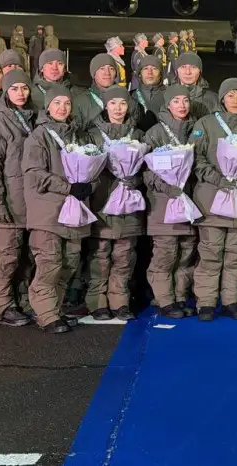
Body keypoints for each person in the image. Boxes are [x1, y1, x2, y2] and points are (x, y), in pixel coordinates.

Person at [22, 83, 94, 334]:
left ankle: (55, 308)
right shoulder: (39, 136)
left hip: (73, 210)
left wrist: (88, 185)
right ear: (47, 107)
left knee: (69, 263)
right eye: (57, 103)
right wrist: (67, 187)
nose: (62, 108)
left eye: (67, 103)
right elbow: (34, 173)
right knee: (49, 262)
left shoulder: (78, 135)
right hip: (48, 211)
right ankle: (46, 314)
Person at [190, 78, 237, 321]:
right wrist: (218, 179)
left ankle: (231, 301)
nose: (235, 100)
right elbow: (195, 158)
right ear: (222, 99)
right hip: (212, 198)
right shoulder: (206, 123)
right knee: (210, 253)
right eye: (230, 95)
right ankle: (206, 303)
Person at [0, 70, 35, 326]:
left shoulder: (34, 119)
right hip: (7, 200)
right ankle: (1, 305)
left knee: (26, 256)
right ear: (5, 92)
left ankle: (23, 299)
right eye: (14, 89)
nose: (20, 93)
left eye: (24, 88)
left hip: (30, 200)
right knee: (7, 254)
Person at [86, 87, 144, 321]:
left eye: (123, 103)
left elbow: (148, 168)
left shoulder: (137, 134)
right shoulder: (92, 134)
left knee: (125, 254)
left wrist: (136, 179)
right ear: (105, 106)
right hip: (102, 202)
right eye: (113, 103)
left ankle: (120, 301)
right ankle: (97, 301)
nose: (118, 108)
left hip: (129, 202)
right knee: (100, 254)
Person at [142, 85, 197, 319]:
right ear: (167, 105)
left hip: (189, 203)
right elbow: (145, 170)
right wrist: (168, 188)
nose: (182, 105)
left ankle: (180, 296)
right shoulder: (155, 133)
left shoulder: (196, 130)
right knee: (165, 254)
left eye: (185, 100)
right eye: (176, 101)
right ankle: (164, 299)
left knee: (186, 253)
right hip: (163, 204)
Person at [173, 53, 221, 118]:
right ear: (176, 71)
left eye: (193, 67)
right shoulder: (166, 96)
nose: (188, 72)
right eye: (183, 67)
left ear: (200, 71)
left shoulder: (212, 99)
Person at [132, 55, 165, 132]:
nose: (150, 72)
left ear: (160, 74)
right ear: (140, 74)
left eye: (154, 68)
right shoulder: (130, 96)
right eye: (145, 68)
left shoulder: (171, 95)